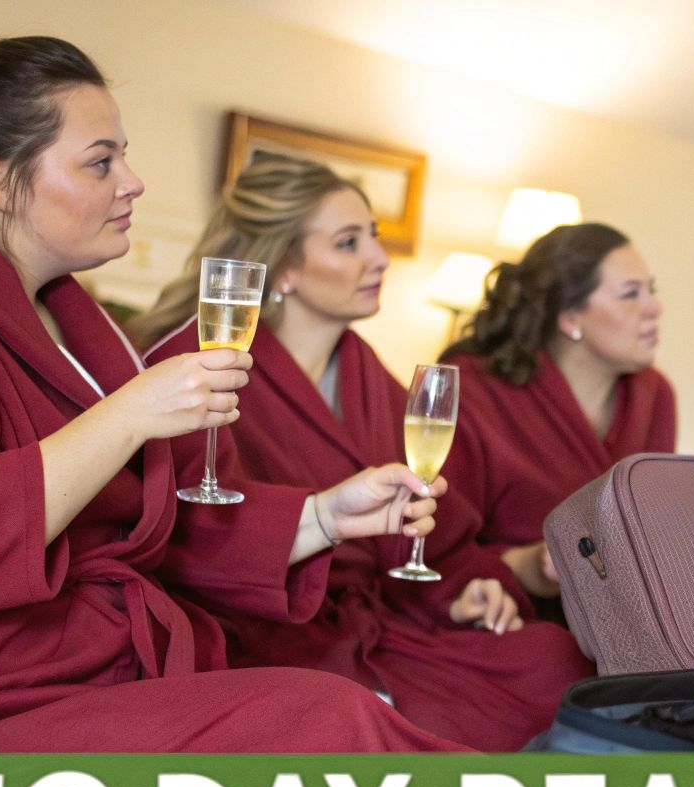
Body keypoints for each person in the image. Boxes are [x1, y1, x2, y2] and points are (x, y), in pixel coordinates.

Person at [0, 1, 465, 753]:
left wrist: (329, 516)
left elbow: (153, 527)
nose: (133, 182)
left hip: (80, 672)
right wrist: (127, 416)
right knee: (330, 719)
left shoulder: (69, 316)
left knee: (348, 716)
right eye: (101, 162)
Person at [134, 155, 594, 750]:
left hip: (385, 623)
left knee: (555, 659)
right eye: (348, 243)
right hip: (271, 625)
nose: (379, 258)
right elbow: (183, 535)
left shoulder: (371, 377)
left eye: (374, 237)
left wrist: (461, 593)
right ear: (285, 265)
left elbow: (437, 537)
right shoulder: (192, 366)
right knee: (423, 721)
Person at [439, 222, 676, 609]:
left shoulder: (655, 396)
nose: (654, 307)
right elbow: (438, 551)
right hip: (499, 609)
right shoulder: (476, 391)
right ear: (570, 318)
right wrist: (531, 565)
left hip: (619, 615)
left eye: (651, 290)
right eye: (630, 294)